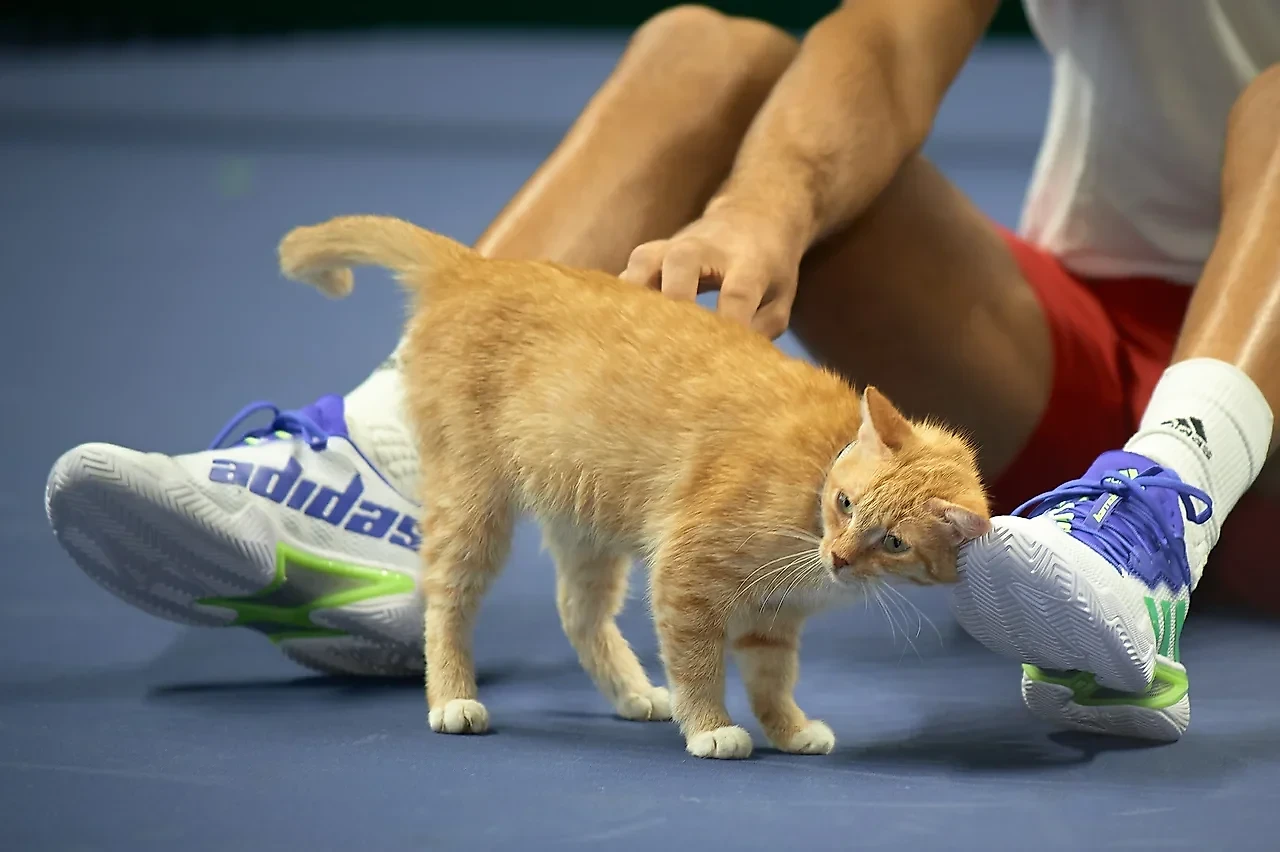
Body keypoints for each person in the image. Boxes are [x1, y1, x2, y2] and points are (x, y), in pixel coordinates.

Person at [46, 0, 1280, 741]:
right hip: (1049, 372)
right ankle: (390, 471)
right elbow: (892, 42)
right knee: (711, 55)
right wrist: (759, 207)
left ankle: (1156, 514)